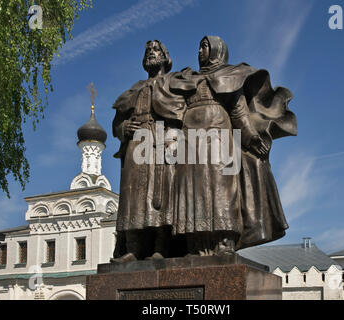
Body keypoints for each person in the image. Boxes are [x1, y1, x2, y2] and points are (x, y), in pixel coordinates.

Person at [169, 35, 297, 255]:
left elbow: (238, 111)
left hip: (219, 134)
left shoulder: (230, 75)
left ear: (217, 50)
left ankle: (224, 240)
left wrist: (250, 137)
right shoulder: (187, 78)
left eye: (205, 46)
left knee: (222, 187)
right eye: (199, 47)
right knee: (192, 189)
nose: (200, 51)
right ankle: (196, 242)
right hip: (189, 138)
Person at [111, 40, 186, 262]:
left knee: (162, 193)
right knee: (133, 194)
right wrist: (124, 128)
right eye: (147, 51)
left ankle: (161, 248)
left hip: (165, 140)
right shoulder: (134, 89)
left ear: (165, 56)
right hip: (136, 142)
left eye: (155, 50)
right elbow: (117, 122)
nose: (150, 54)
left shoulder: (174, 83)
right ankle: (132, 249)